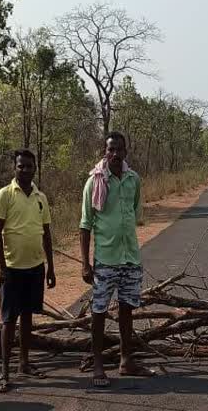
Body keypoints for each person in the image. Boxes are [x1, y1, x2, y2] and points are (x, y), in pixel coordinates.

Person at [80, 131, 153, 388]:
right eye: (110, 149)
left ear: (125, 152)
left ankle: (126, 361)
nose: (114, 154)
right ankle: (98, 364)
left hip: (130, 257)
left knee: (126, 309)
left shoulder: (133, 180)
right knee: (99, 311)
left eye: (119, 149)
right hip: (105, 259)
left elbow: (134, 212)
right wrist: (85, 263)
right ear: (105, 151)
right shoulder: (95, 182)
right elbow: (85, 224)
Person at [0, 149, 56, 392]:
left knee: (29, 316)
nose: (26, 170)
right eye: (21, 166)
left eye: (30, 166)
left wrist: (50, 267)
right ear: (14, 168)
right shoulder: (5, 195)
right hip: (12, 269)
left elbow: (46, 233)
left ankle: (24, 363)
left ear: (35, 167)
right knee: (9, 319)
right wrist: (1, 266)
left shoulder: (41, 197)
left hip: (35, 267)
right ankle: (4, 372)